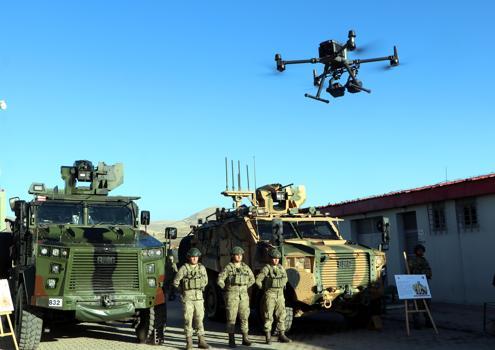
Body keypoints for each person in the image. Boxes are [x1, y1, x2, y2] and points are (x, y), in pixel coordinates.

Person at [217, 246, 255, 348]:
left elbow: (252, 279)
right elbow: (220, 278)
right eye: (237, 255)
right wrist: (223, 285)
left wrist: (245, 286)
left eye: (240, 255)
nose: (239, 256)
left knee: (244, 317)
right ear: (233, 256)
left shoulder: (245, 267)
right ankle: (231, 339)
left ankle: (245, 338)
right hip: (232, 295)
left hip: (243, 296)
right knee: (231, 318)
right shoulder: (229, 268)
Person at [173, 248, 209, 350]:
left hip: (198, 297)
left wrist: (199, 286)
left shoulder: (201, 268)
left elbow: (206, 281)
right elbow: (176, 282)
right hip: (187, 298)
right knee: (188, 319)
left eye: (196, 257)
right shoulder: (184, 268)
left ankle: (201, 341)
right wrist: (183, 290)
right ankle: (189, 342)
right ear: (189, 257)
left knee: (199, 319)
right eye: (192, 257)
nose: (194, 259)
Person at [255, 248, 291, 344]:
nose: (276, 260)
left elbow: (286, 278)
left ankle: (281, 335)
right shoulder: (266, 268)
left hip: (280, 294)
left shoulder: (281, 268)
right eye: (274, 258)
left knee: (281, 315)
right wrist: (264, 289)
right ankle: (268, 336)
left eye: (277, 258)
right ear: (270, 258)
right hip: (270, 294)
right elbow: (258, 280)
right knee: (268, 315)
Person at [408, 244, 432, 329]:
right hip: (416, 284)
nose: (420, 252)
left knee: (427, 304)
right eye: (419, 250)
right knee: (417, 304)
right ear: (416, 251)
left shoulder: (424, 260)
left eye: (422, 250)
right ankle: (416, 322)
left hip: (424, 284)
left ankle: (428, 321)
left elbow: (428, 270)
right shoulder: (412, 260)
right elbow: (409, 271)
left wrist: (427, 274)